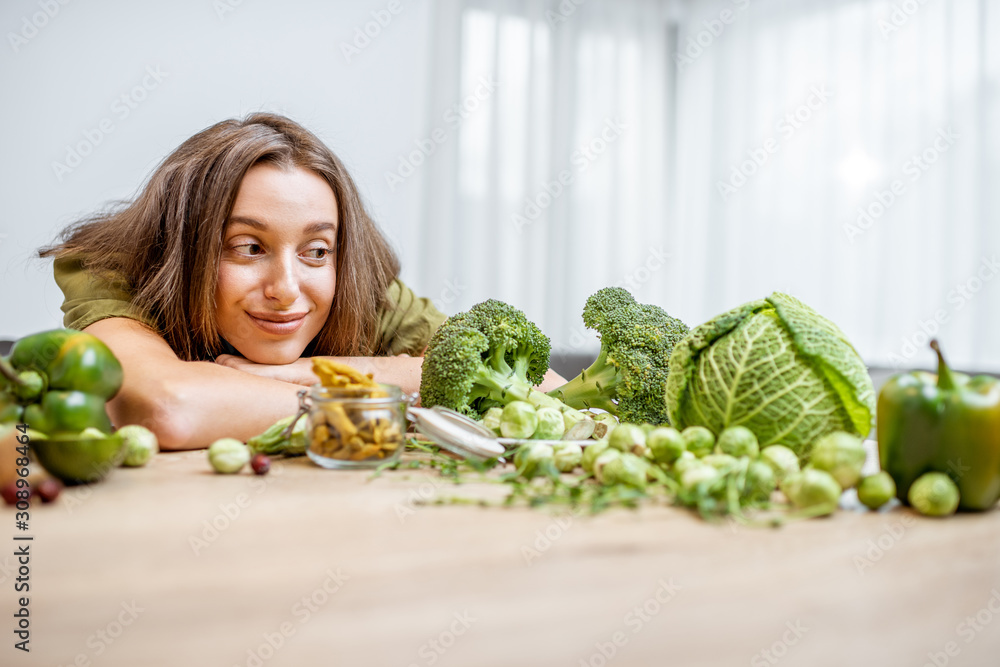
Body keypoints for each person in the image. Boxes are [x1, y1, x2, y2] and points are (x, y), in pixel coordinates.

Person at [39, 113, 561, 451]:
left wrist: (305, 373)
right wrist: (390, 396)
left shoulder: (361, 292)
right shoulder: (112, 270)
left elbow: (543, 387)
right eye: (248, 247)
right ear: (186, 246)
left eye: (316, 251)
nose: (287, 288)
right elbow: (169, 407)